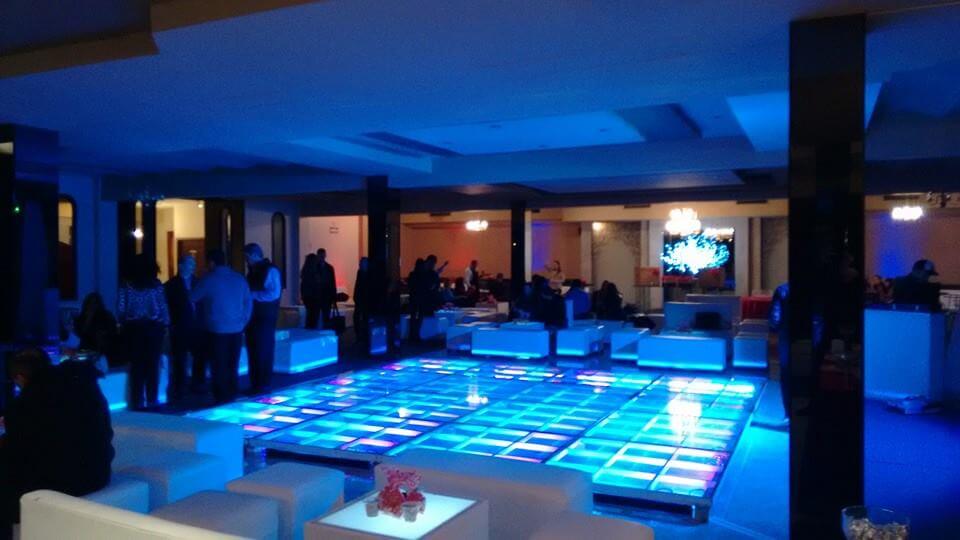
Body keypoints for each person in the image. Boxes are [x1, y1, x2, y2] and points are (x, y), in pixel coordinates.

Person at [1, 348, 114, 536]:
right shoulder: (83, 385)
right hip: (99, 472)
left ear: (19, 378)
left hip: (67, 483)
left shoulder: (25, 405)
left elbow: (18, 454)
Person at [190, 249, 252, 404]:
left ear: (211, 263)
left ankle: (221, 396)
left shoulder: (209, 279)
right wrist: (243, 321)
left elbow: (192, 297)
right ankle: (232, 392)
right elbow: (248, 303)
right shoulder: (239, 279)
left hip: (216, 329)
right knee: (232, 363)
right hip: (237, 329)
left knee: (218, 365)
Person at [117, 253, 169, 410]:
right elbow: (163, 309)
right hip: (154, 329)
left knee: (136, 366)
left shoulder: (126, 286)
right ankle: (152, 400)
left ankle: (137, 401)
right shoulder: (156, 286)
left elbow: (120, 310)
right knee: (152, 365)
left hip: (133, 329)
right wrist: (165, 325)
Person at [165, 254, 204, 402]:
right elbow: (168, 307)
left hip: (197, 326)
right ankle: (179, 388)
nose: (193, 266)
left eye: (193, 263)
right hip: (180, 326)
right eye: (190, 263)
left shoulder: (199, 282)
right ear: (181, 265)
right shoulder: (171, 285)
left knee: (199, 356)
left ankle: (197, 384)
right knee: (179, 358)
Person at [244, 244, 282, 395]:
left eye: (247, 257)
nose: (246, 260)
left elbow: (273, 294)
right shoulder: (258, 270)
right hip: (258, 317)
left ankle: (262, 384)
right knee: (255, 350)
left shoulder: (269, 270)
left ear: (254, 255)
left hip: (264, 317)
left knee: (262, 350)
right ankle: (257, 384)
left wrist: (252, 295)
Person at [73, 292, 119, 366]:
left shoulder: (106, 316)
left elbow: (113, 333)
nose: (92, 306)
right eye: (90, 304)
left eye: (94, 304)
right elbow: (80, 334)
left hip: (103, 351)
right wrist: (88, 319)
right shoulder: (81, 318)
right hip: (85, 351)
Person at [769, 282, 790, 424]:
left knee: (787, 375)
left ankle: (788, 414)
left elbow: (775, 318)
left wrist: (774, 329)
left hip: (787, 335)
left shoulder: (783, 289)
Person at [315, 248, 338, 330]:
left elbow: (332, 283)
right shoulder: (317, 267)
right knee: (318, 316)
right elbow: (332, 283)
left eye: (322, 255)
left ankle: (323, 331)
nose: (322, 257)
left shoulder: (329, 268)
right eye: (320, 255)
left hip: (326, 296)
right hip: (319, 296)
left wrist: (334, 296)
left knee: (325, 316)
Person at [300, 254, 320, 329]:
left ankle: (309, 329)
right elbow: (316, 284)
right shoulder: (314, 271)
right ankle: (311, 329)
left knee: (310, 315)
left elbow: (303, 285)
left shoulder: (305, 271)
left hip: (307, 296)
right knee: (313, 316)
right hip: (313, 296)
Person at [353, 257, 369, 343]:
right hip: (360, 299)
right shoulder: (360, 272)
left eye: (361, 263)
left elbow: (358, 286)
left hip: (364, 299)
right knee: (358, 316)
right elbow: (358, 286)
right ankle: (360, 334)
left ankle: (362, 334)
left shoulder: (362, 273)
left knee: (362, 317)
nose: (360, 265)